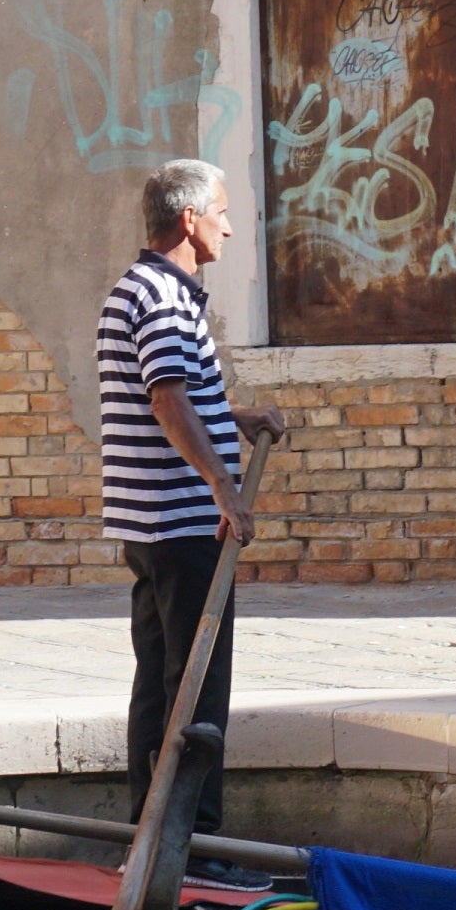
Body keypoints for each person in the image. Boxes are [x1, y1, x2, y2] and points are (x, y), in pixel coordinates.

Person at [96, 158, 283, 837]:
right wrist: (223, 488)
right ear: (189, 220)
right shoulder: (167, 298)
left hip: (146, 525)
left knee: (158, 683)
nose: (230, 230)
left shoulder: (134, 290)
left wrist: (234, 415)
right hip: (183, 526)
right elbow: (167, 399)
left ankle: (149, 832)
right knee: (198, 690)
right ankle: (191, 844)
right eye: (223, 214)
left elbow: (172, 392)